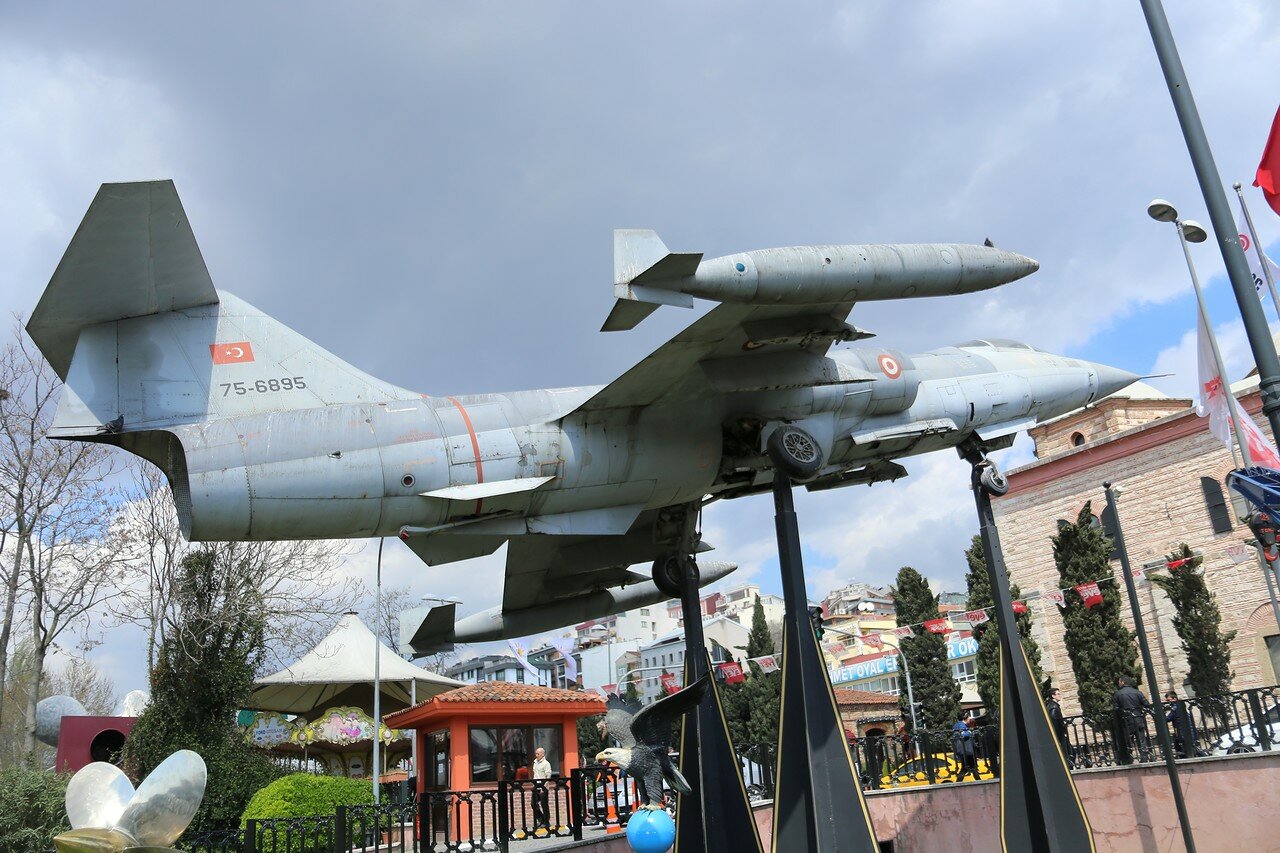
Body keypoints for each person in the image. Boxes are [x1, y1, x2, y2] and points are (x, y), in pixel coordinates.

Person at [1114, 676, 1151, 763]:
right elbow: (1146, 704)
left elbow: (1116, 709)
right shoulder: (1138, 692)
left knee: (1128, 741)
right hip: (1138, 719)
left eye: (1119, 682)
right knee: (1141, 740)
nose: (1118, 684)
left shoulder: (1118, 694)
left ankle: (1129, 759)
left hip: (1126, 721)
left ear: (1122, 682)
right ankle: (1144, 758)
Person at [1164, 690, 1196, 758]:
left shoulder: (1175, 708)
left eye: (1169, 700)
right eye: (1167, 701)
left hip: (1183, 733)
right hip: (1184, 732)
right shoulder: (1180, 706)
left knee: (1185, 751)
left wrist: (1161, 713)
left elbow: (1168, 719)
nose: (1168, 702)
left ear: (1174, 699)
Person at [1045, 688, 1072, 766]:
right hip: (1059, 737)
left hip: (1059, 736)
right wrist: (1063, 732)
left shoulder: (1052, 706)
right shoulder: (1053, 708)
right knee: (1066, 756)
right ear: (1053, 696)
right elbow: (1054, 724)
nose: (1060, 695)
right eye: (1058, 694)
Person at [951, 713, 977, 781]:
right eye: (969, 718)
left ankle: (978, 780)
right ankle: (978, 780)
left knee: (969, 767)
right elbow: (964, 735)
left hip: (964, 750)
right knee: (970, 767)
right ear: (966, 718)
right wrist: (970, 731)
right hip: (965, 750)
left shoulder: (958, 724)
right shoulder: (961, 725)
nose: (969, 719)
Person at [531, 746, 553, 830]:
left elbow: (548, 776)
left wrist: (544, 787)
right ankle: (541, 819)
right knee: (533, 804)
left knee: (544, 805)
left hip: (543, 787)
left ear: (542, 754)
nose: (536, 755)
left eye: (538, 753)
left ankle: (546, 822)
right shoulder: (535, 762)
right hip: (536, 786)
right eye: (536, 753)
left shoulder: (546, 764)